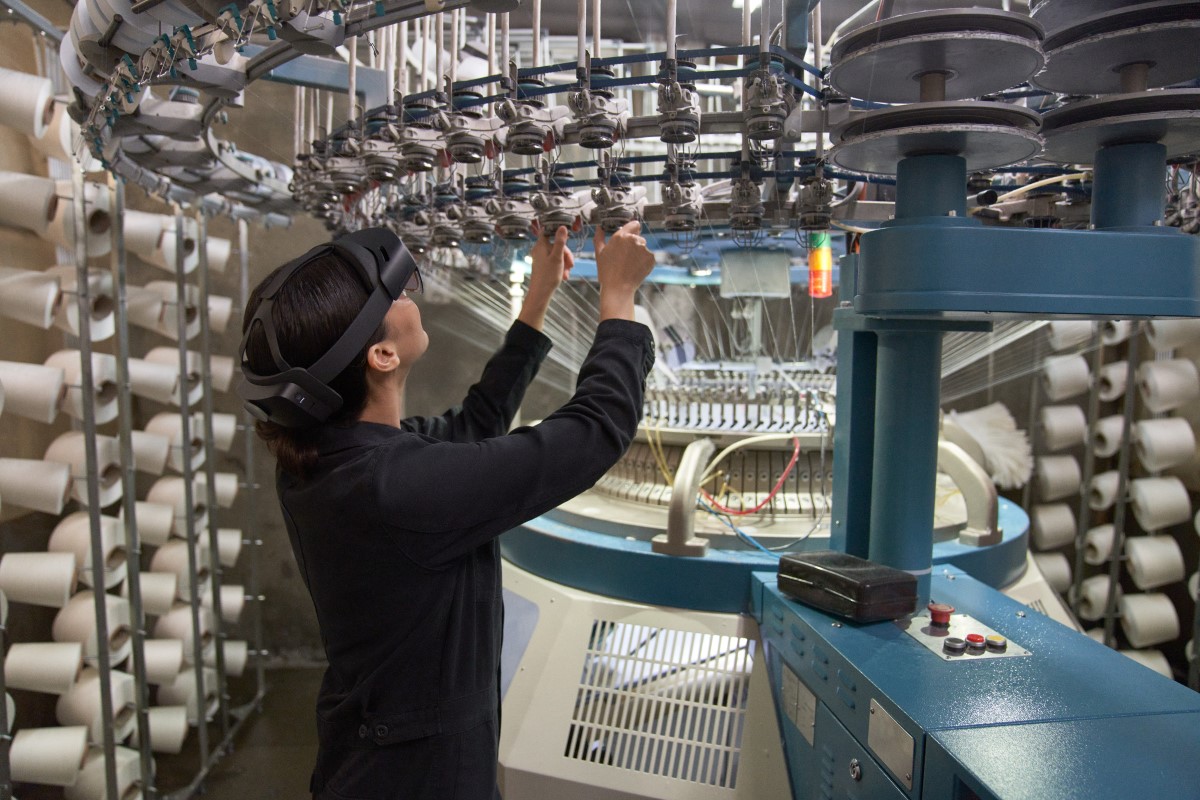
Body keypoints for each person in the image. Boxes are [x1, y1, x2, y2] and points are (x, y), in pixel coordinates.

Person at [238, 219, 657, 800]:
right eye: (394, 296)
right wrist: (619, 299)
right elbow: (593, 432)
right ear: (382, 355)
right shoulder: (395, 487)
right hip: (421, 778)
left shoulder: (327, 456)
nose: (408, 294)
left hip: (369, 758)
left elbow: (474, 424)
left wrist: (538, 297)